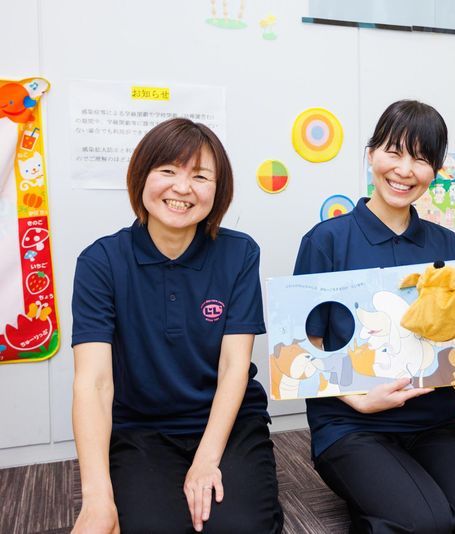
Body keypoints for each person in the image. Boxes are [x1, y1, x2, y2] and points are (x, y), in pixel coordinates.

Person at [293, 100, 455, 533]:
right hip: (351, 424)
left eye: (420, 158)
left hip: (431, 421)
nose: (404, 170)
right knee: (426, 523)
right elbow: (305, 346)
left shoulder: (447, 245)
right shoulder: (326, 241)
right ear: (371, 155)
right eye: (393, 152)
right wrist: (358, 400)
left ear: (435, 171)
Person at [71, 118, 283, 533]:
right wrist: (96, 499)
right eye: (167, 170)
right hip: (141, 429)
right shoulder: (100, 262)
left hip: (229, 422)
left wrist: (206, 460)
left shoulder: (239, 254)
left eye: (200, 176)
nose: (182, 188)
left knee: (240, 528)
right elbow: (93, 383)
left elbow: (234, 367)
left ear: (218, 190)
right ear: (141, 176)